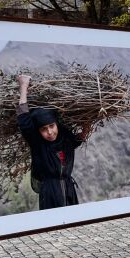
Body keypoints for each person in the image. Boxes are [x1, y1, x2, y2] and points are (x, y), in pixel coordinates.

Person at [16, 74, 88, 210]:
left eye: (51, 126)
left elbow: (76, 141)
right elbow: (24, 119)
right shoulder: (38, 143)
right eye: (44, 129)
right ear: (38, 131)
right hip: (50, 193)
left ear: (57, 124)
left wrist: (85, 130)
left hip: (69, 191)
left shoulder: (65, 137)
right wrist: (23, 87)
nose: (49, 132)